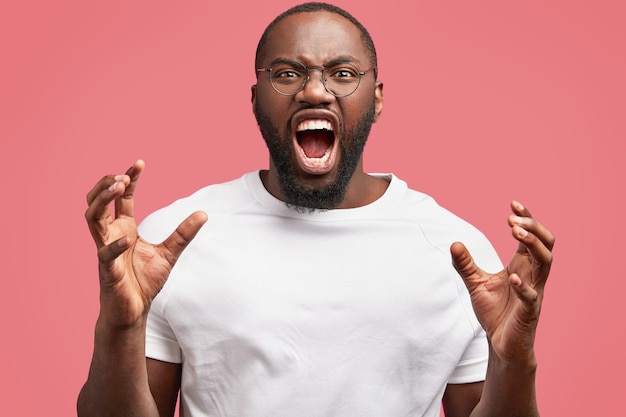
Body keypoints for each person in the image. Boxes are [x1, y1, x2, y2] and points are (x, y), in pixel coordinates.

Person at [77, 2, 555, 417]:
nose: (315, 91)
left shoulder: (459, 255)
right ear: (254, 98)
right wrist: (120, 325)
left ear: (378, 97)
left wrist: (515, 360)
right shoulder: (172, 242)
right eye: (287, 74)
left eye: (343, 74)